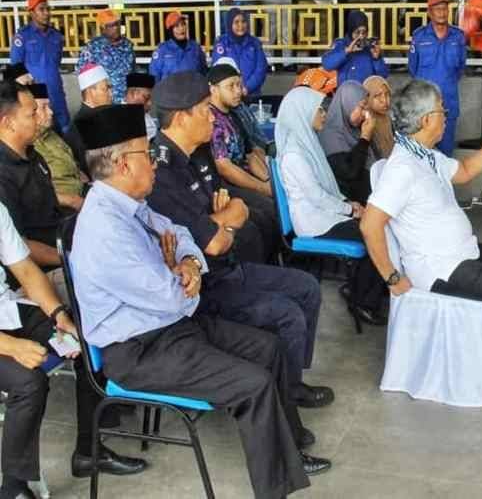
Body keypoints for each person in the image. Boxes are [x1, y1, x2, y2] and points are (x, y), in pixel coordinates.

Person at [70, 104, 329, 499]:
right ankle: (274, 488)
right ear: (122, 164)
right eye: (146, 154)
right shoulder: (105, 227)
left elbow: (181, 236)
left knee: (269, 347)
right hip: (139, 350)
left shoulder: (130, 206)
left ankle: (288, 446)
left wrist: (185, 262)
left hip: (170, 330)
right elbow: (173, 298)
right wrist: (178, 273)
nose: (155, 163)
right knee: (253, 383)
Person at [359, 80, 482, 425]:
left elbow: (463, 172)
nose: (446, 117)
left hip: (464, 253)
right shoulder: (401, 169)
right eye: (441, 112)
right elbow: (370, 224)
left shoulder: (427, 156)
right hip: (440, 268)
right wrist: (391, 276)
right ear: (424, 121)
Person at [146, 73, 331, 409]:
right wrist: (221, 224)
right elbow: (212, 240)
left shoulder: (197, 154)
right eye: (205, 110)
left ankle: (291, 381)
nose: (212, 117)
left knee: (307, 288)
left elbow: (234, 208)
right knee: (286, 313)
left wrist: (220, 223)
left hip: (226, 265)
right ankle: (283, 400)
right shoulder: (161, 172)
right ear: (181, 117)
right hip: (202, 286)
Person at [0, 194, 147, 499]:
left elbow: (26, 270)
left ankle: (88, 450)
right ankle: (13, 487)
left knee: (87, 335)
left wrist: (58, 315)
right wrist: (11, 346)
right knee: (28, 382)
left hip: (7, 311)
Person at [276, 86, 388, 325]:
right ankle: (363, 302)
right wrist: (350, 209)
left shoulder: (307, 144)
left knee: (379, 226)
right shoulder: (295, 154)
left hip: (325, 215)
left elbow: (325, 191)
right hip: (315, 223)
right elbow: (317, 196)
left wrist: (348, 203)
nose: (324, 115)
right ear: (303, 113)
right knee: (376, 232)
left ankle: (363, 291)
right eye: (319, 111)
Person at [0, 81, 76, 273]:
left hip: (64, 242)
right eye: (32, 113)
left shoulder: (34, 155)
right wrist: (71, 259)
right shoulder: (3, 173)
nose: (40, 117)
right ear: (8, 123)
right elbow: (20, 247)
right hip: (42, 270)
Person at [407, 0, 467, 156]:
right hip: (423, 106)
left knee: (446, 154)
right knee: (421, 153)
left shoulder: (458, 36)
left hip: (448, 104)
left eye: (444, 9)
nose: (442, 13)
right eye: (437, 9)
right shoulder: (419, 36)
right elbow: (412, 67)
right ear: (429, 12)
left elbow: (461, 67)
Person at [206, 64, 272, 200]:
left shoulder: (233, 114)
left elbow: (251, 155)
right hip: (224, 187)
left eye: (239, 85)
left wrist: (269, 181)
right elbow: (224, 168)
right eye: (231, 86)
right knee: (268, 210)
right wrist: (262, 188)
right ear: (213, 89)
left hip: (246, 178)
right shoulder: (210, 120)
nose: (238, 91)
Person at [11, 0, 69, 134]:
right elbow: (16, 66)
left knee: (65, 129)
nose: (46, 13)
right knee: (38, 132)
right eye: (41, 9)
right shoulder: (22, 36)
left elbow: (57, 61)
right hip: (35, 93)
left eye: (48, 9)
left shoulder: (57, 36)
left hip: (56, 90)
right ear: (32, 13)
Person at [29, 83, 86, 212]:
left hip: (82, 193)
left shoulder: (51, 134)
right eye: (44, 107)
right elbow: (33, 191)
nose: (51, 112)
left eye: (49, 106)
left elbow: (68, 158)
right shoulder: (26, 145)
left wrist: (78, 172)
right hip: (60, 210)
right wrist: (72, 200)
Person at [318, 80, 376, 202]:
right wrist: (365, 138)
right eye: (361, 107)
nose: (365, 113)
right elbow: (350, 172)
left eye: (366, 107)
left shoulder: (354, 129)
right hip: (350, 204)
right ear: (347, 104)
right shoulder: (330, 135)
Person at [64, 62, 113, 174]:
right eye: (106, 89)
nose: (111, 94)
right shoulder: (82, 123)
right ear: (91, 91)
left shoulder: (99, 115)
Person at [76, 9, 135, 104]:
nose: (115, 28)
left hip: (124, 101)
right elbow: (83, 75)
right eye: (111, 26)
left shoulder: (128, 46)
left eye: (117, 24)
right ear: (102, 28)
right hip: (102, 102)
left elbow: (132, 71)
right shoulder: (92, 48)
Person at [212, 7, 268, 96]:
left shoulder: (254, 42)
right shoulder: (222, 42)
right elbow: (219, 69)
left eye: (243, 21)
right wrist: (234, 89)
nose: (241, 25)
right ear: (229, 24)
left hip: (252, 94)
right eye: (236, 22)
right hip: (229, 96)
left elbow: (261, 69)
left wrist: (247, 88)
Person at [321, 10, 388, 85]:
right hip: (347, 93)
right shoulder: (341, 44)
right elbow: (327, 65)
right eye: (357, 32)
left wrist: (377, 59)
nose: (361, 36)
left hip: (366, 93)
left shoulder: (370, 47)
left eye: (364, 32)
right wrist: (346, 51)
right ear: (350, 31)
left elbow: (383, 75)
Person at [151, 11, 207, 81]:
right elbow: (154, 76)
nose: (181, 28)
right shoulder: (162, 50)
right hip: (169, 91)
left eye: (183, 24)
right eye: (176, 26)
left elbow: (203, 73)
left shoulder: (195, 47)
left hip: (192, 90)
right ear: (170, 30)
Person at [363, 75, 394, 160]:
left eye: (387, 94)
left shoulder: (390, 119)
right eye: (377, 95)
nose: (384, 100)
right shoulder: (364, 124)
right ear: (367, 97)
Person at [126, 72, 158, 140]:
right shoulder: (115, 118)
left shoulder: (149, 122)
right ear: (134, 94)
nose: (150, 103)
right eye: (146, 98)